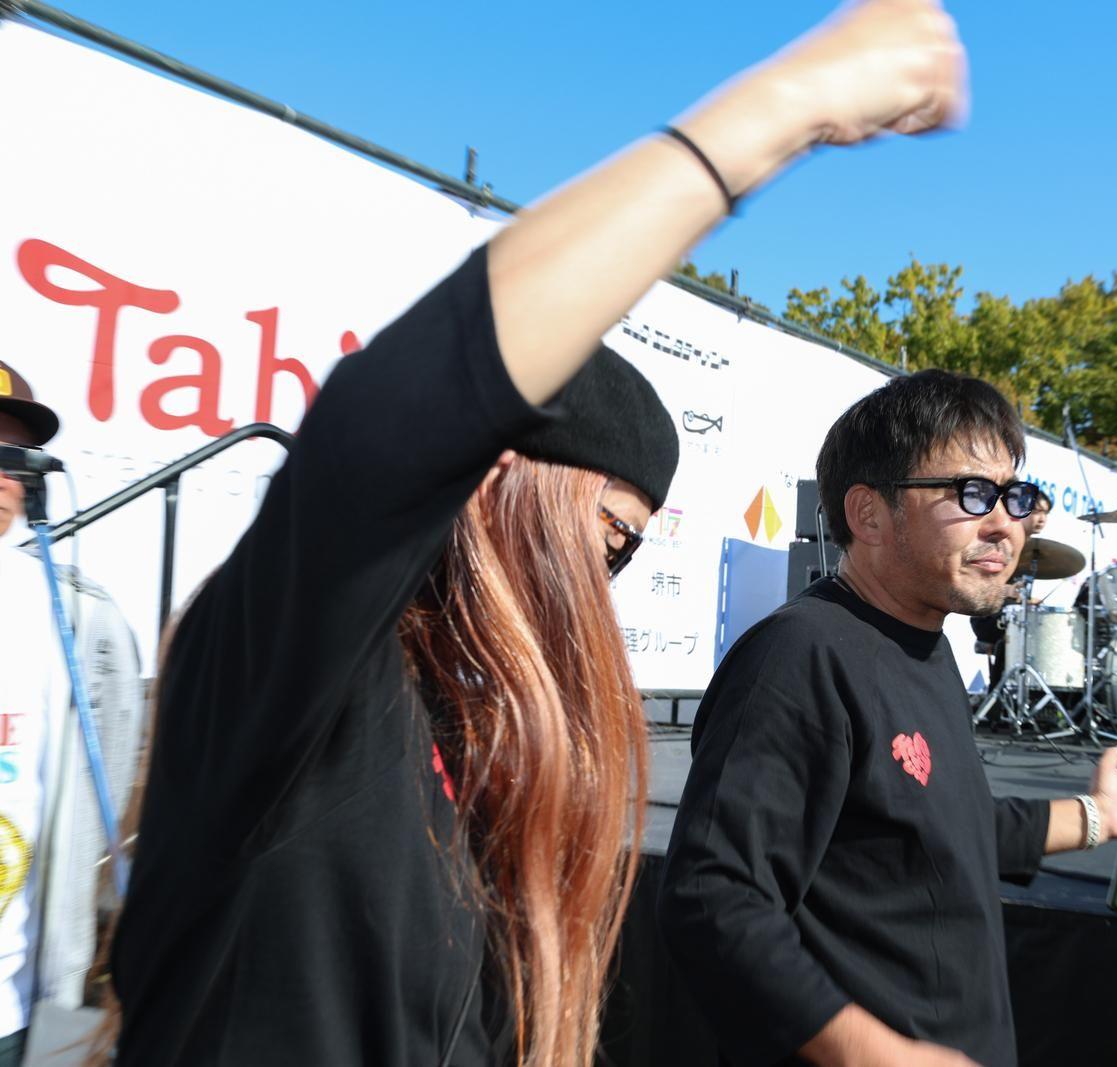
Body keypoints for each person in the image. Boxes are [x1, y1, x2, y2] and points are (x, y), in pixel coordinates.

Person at [102, 3, 973, 1065]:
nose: (600, 583)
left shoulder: (469, 737)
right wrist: (791, 106)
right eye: (602, 536)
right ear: (492, 477)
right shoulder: (304, 672)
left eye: (627, 553)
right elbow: (400, 408)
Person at [657, 371, 1117, 1067]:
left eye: (1014, 496)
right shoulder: (799, 655)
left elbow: (946, 827)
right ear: (869, 514)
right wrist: (878, 1055)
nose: (1005, 524)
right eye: (971, 493)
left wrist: (1097, 815)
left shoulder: (926, 647)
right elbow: (711, 898)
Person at [0, 362, 142, 1067]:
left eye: (14, 453)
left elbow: (105, 783)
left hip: (20, 1009)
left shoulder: (82, 617)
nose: (2, 472)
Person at [970, 485, 1052, 687]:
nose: (1042, 518)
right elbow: (979, 584)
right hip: (989, 616)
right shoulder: (1001, 542)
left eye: (1046, 513)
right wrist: (1012, 592)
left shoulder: (1031, 551)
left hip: (1014, 614)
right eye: (1036, 511)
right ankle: (999, 692)